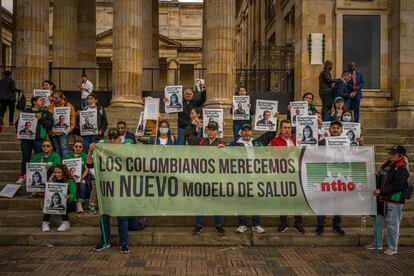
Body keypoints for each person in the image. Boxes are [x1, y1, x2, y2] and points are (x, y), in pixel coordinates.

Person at [230, 123, 276, 234]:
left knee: (257, 200)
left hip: (257, 176)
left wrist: (274, 120)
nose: (246, 132)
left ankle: (256, 224)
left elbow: (271, 133)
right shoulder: (235, 144)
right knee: (242, 200)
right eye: (244, 130)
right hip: (242, 176)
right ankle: (242, 224)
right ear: (241, 132)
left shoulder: (257, 142)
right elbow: (224, 153)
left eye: (248, 130)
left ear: (252, 132)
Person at [90, 130, 131, 254]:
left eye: (115, 138)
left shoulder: (125, 151)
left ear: (119, 139)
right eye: (110, 138)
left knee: (123, 218)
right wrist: (90, 151)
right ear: (107, 140)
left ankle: (124, 244)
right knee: (104, 217)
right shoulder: (101, 153)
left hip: (121, 190)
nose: (112, 140)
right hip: (106, 190)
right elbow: (89, 165)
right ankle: (104, 242)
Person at [365, 145, 410, 255]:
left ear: (401, 156)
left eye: (393, 154)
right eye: (389, 153)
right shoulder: (388, 164)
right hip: (383, 198)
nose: (390, 155)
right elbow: (383, 176)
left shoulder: (402, 167)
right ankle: (377, 243)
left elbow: (398, 185)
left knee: (392, 223)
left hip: (394, 199)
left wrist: (381, 191)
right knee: (378, 221)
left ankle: (392, 247)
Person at [185, 121, 226, 235]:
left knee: (217, 202)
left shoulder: (221, 143)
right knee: (200, 201)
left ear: (217, 131)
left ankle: (218, 225)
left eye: (213, 129)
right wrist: (194, 127)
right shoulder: (200, 141)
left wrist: (225, 151)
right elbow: (188, 137)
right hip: (201, 177)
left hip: (216, 178)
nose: (211, 131)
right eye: (209, 129)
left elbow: (228, 160)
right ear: (206, 130)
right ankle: (199, 225)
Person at [270, 120, 305, 234]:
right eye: (285, 128)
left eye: (289, 128)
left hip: (297, 172)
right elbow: (275, 156)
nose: (287, 130)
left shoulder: (296, 140)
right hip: (284, 173)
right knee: (284, 199)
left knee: (298, 199)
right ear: (280, 129)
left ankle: (298, 223)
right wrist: (287, 151)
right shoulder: (275, 141)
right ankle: (283, 223)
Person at [315, 121, 347, 235]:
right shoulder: (323, 142)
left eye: (338, 128)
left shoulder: (347, 143)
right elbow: (316, 155)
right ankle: (320, 226)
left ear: (341, 130)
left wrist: (360, 144)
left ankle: (336, 225)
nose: (335, 129)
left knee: (339, 203)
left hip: (340, 177)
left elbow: (354, 155)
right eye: (333, 127)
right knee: (323, 202)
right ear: (329, 129)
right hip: (326, 177)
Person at [16, 96, 54, 184]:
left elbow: (49, 124)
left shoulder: (45, 112)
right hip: (26, 139)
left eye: (43, 100)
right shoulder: (26, 111)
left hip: (39, 139)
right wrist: (19, 133)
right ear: (34, 102)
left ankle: (39, 177)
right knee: (26, 157)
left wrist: (41, 119)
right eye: (41, 100)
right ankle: (23, 176)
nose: (43, 101)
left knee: (38, 158)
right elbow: (18, 123)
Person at [42, 164, 76, 232]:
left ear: (64, 172)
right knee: (49, 202)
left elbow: (73, 195)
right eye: (55, 172)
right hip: (55, 203)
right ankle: (45, 222)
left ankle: (66, 223)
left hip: (69, 203)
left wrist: (69, 196)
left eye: (59, 172)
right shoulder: (52, 181)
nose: (56, 174)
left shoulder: (70, 181)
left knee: (63, 202)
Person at [47, 91, 76, 159]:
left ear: (61, 98)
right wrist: (49, 113)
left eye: (56, 98)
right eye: (53, 97)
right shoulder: (50, 106)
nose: (54, 99)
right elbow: (47, 118)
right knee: (57, 148)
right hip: (53, 131)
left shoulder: (68, 105)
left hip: (64, 131)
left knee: (64, 147)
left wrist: (72, 127)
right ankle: (59, 164)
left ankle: (64, 165)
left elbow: (72, 117)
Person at [64, 141, 89, 213]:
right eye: (76, 146)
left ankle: (79, 202)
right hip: (70, 178)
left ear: (82, 148)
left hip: (82, 177)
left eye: (80, 147)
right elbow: (65, 169)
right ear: (73, 147)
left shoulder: (85, 156)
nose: (78, 148)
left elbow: (87, 170)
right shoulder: (68, 156)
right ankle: (72, 201)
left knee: (82, 182)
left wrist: (80, 178)